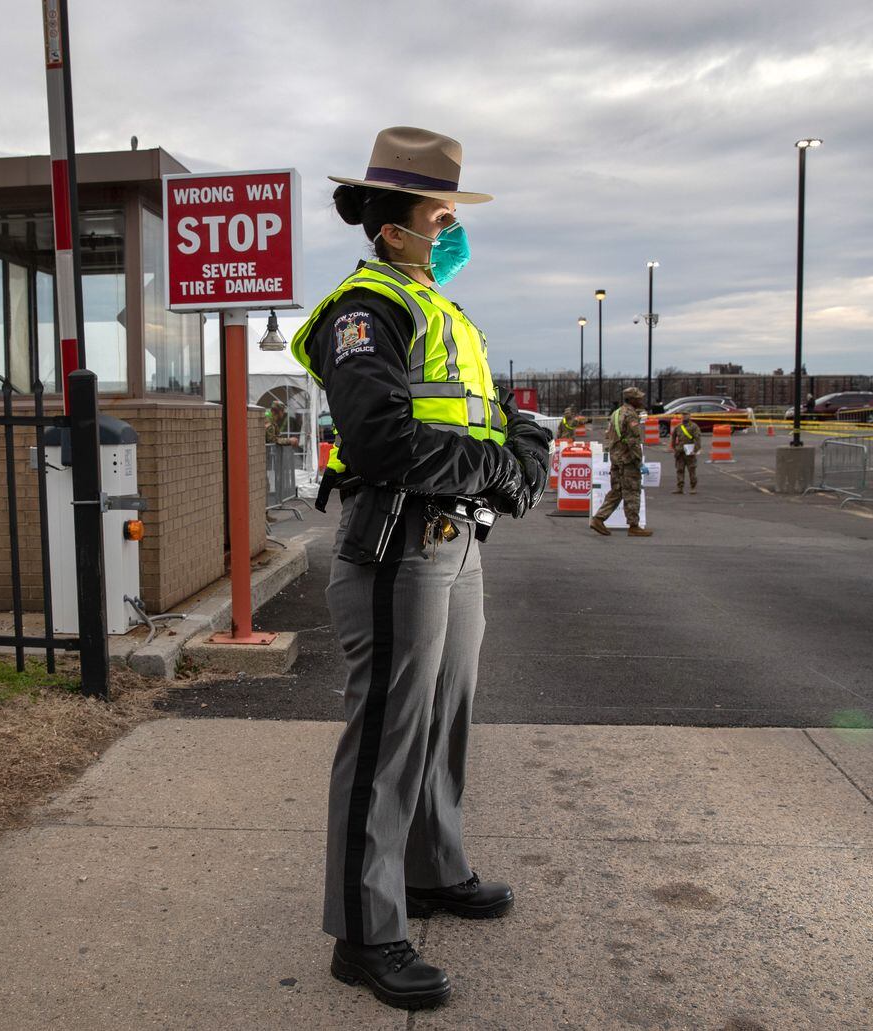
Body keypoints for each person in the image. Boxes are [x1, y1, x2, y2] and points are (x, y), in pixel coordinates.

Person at [288, 126, 551, 1011]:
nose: (452, 232)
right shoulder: (367, 310)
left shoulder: (438, 306)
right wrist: (502, 468)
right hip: (400, 541)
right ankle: (364, 932)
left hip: (456, 538)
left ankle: (433, 869)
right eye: (440, 218)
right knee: (387, 736)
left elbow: (490, 417)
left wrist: (515, 453)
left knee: (444, 715)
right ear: (393, 228)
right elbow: (383, 439)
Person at [590, 386, 652, 537]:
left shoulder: (616, 413)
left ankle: (599, 518)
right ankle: (634, 526)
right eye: (638, 398)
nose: (641, 400)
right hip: (628, 459)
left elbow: (609, 435)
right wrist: (638, 462)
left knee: (617, 490)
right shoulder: (631, 415)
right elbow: (633, 441)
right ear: (631, 399)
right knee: (632, 491)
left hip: (616, 458)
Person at [671, 411, 701, 493]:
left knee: (691, 469)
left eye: (686, 415)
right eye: (683, 415)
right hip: (680, 452)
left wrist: (695, 450)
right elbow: (673, 437)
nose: (684, 417)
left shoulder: (694, 427)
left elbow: (697, 439)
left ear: (689, 416)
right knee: (680, 470)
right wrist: (674, 448)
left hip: (690, 452)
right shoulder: (678, 427)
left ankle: (693, 487)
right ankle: (680, 488)